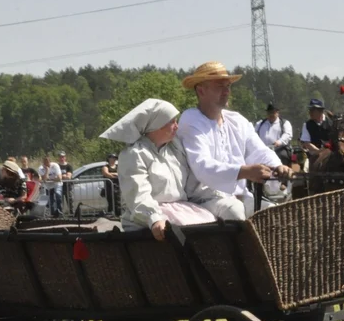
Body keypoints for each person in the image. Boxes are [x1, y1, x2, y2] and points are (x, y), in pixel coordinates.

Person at [101, 98, 246, 239]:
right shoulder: (134, 154)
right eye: (172, 122)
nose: (177, 126)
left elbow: (193, 187)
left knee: (229, 212)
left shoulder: (175, 149)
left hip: (182, 209)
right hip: (148, 216)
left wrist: (218, 196)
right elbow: (137, 196)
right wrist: (154, 218)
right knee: (191, 228)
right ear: (156, 125)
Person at [176, 61, 292, 216]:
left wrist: (278, 166)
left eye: (228, 86)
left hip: (240, 198)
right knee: (235, 211)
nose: (226, 92)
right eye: (220, 87)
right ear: (201, 91)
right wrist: (243, 172)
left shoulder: (237, 120)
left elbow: (259, 151)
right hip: (203, 201)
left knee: (276, 214)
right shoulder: (191, 119)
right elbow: (203, 166)